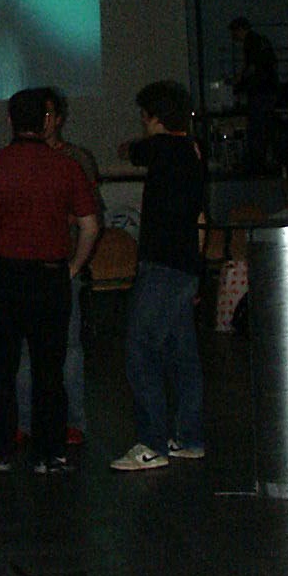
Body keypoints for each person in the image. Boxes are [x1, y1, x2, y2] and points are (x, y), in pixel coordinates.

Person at [0, 88, 100, 477]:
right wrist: (73, 266)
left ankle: (1, 450)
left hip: (3, 274)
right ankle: (49, 452)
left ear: (10, 121)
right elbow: (90, 225)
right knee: (49, 367)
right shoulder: (66, 166)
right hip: (50, 275)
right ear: (46, 121)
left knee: (0, 367)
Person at [112, 82, 208, 474]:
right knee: (182, 353)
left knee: (140, 347)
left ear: (154, 118)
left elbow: (135, 150)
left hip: (162, 266)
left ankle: (152, 443)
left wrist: (129, 147)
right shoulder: (192, 151)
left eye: (144, 116)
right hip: (183, 265)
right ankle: (189, 437)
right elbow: (200, 218)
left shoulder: (166, 148)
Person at [15, 88, 101, 449]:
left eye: (50, 115)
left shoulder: (75, 158)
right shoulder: (19, 158)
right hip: (26, 262)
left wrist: (76, 263)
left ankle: (72, 421)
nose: (45, 121)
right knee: (24, 348)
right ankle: (25, 421)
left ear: (59, 119)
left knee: (69, 346)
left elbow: (88, 213)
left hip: (63, 262)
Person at [230, 16, 280, 173]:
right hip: (269, 90)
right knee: (267, 126)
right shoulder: (262, 41)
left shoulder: (250, 42)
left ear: (240, 30)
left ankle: (256, 163)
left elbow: (252, 67)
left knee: (256, 128)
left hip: (259, 91)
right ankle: (269, 160)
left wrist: (240, 80)